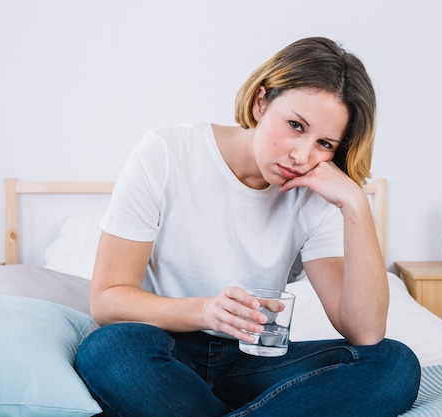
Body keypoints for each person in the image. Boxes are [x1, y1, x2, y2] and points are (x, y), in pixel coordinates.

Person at [75, 36, 421, 417]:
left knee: (393, 365)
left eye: (324, 143)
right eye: (295, 125)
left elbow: (365, 333)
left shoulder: (318, 195)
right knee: (107, 350)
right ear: (260, 102)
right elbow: (107, 299)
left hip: (252, 359)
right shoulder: (166, 153)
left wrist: (356, 205)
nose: (302, 155)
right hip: (161, 348)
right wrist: (207, 311)